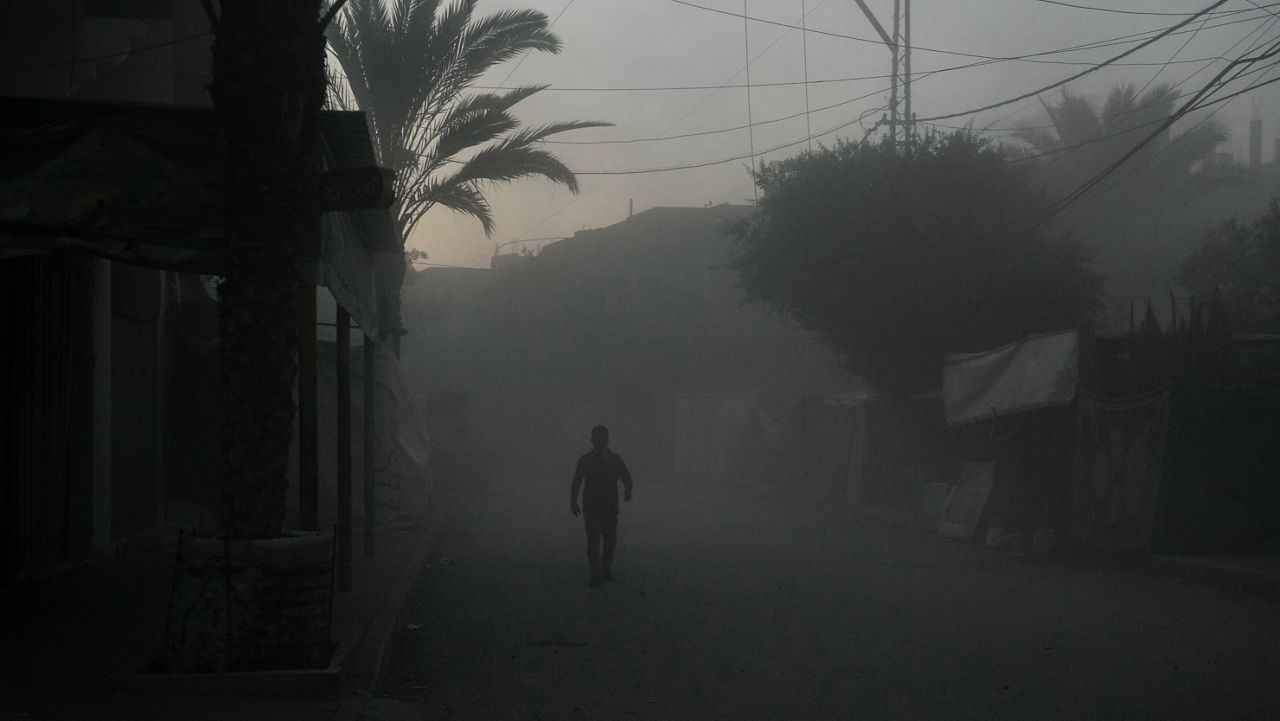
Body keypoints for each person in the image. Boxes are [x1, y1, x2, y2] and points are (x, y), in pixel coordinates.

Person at [570, 425, 633, 587]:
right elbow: (577, 481)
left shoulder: (614, 460)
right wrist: (573, 500)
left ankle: (604, 568)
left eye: (602, 439)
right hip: (592, 506)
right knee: (594, 540)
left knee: (609, 540)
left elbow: (627, 477)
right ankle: (597, 573)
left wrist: (628, 489)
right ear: (593, 441)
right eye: (598, 439)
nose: (600, 442)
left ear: (606, 440)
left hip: (608, 506)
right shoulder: (587, 460)